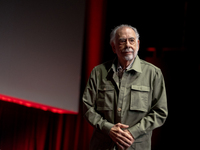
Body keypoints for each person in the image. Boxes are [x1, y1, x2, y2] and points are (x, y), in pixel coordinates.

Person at [82, 24, 168, 150]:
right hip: (102, 146)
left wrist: (133, 132)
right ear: (113, 47)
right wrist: (108, 128)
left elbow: (160, 112)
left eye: (131, 40)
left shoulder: (153, 74)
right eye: (122, 41)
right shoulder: (98, 72)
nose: (128, 45)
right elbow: (87, 107)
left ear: (138, 44)